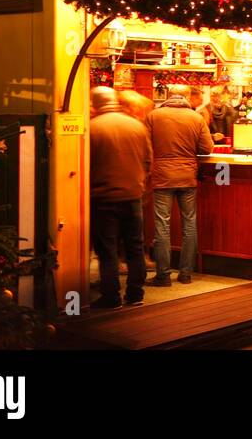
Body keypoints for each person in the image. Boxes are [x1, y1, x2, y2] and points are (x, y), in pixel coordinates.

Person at [88, 87, 152, 309]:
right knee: (135, 247)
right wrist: (139, 184)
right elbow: (148, 161)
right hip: (133, 195)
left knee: (108, 251)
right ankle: (135, 294)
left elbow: (83, 164)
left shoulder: (91, 128)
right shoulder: (136, 126)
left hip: (102, 197)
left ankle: (111, 296)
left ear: (95, 103)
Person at [145, 84, 213, 285]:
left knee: (162, 225)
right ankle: (186, 274)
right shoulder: (196, 118)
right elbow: (207, 148)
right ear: (187, 97)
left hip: (162, 177)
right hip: (187, 177)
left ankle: (163, 275)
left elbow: (145, 145)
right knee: (189, 224)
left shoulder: (153, 116)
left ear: (167, 95)